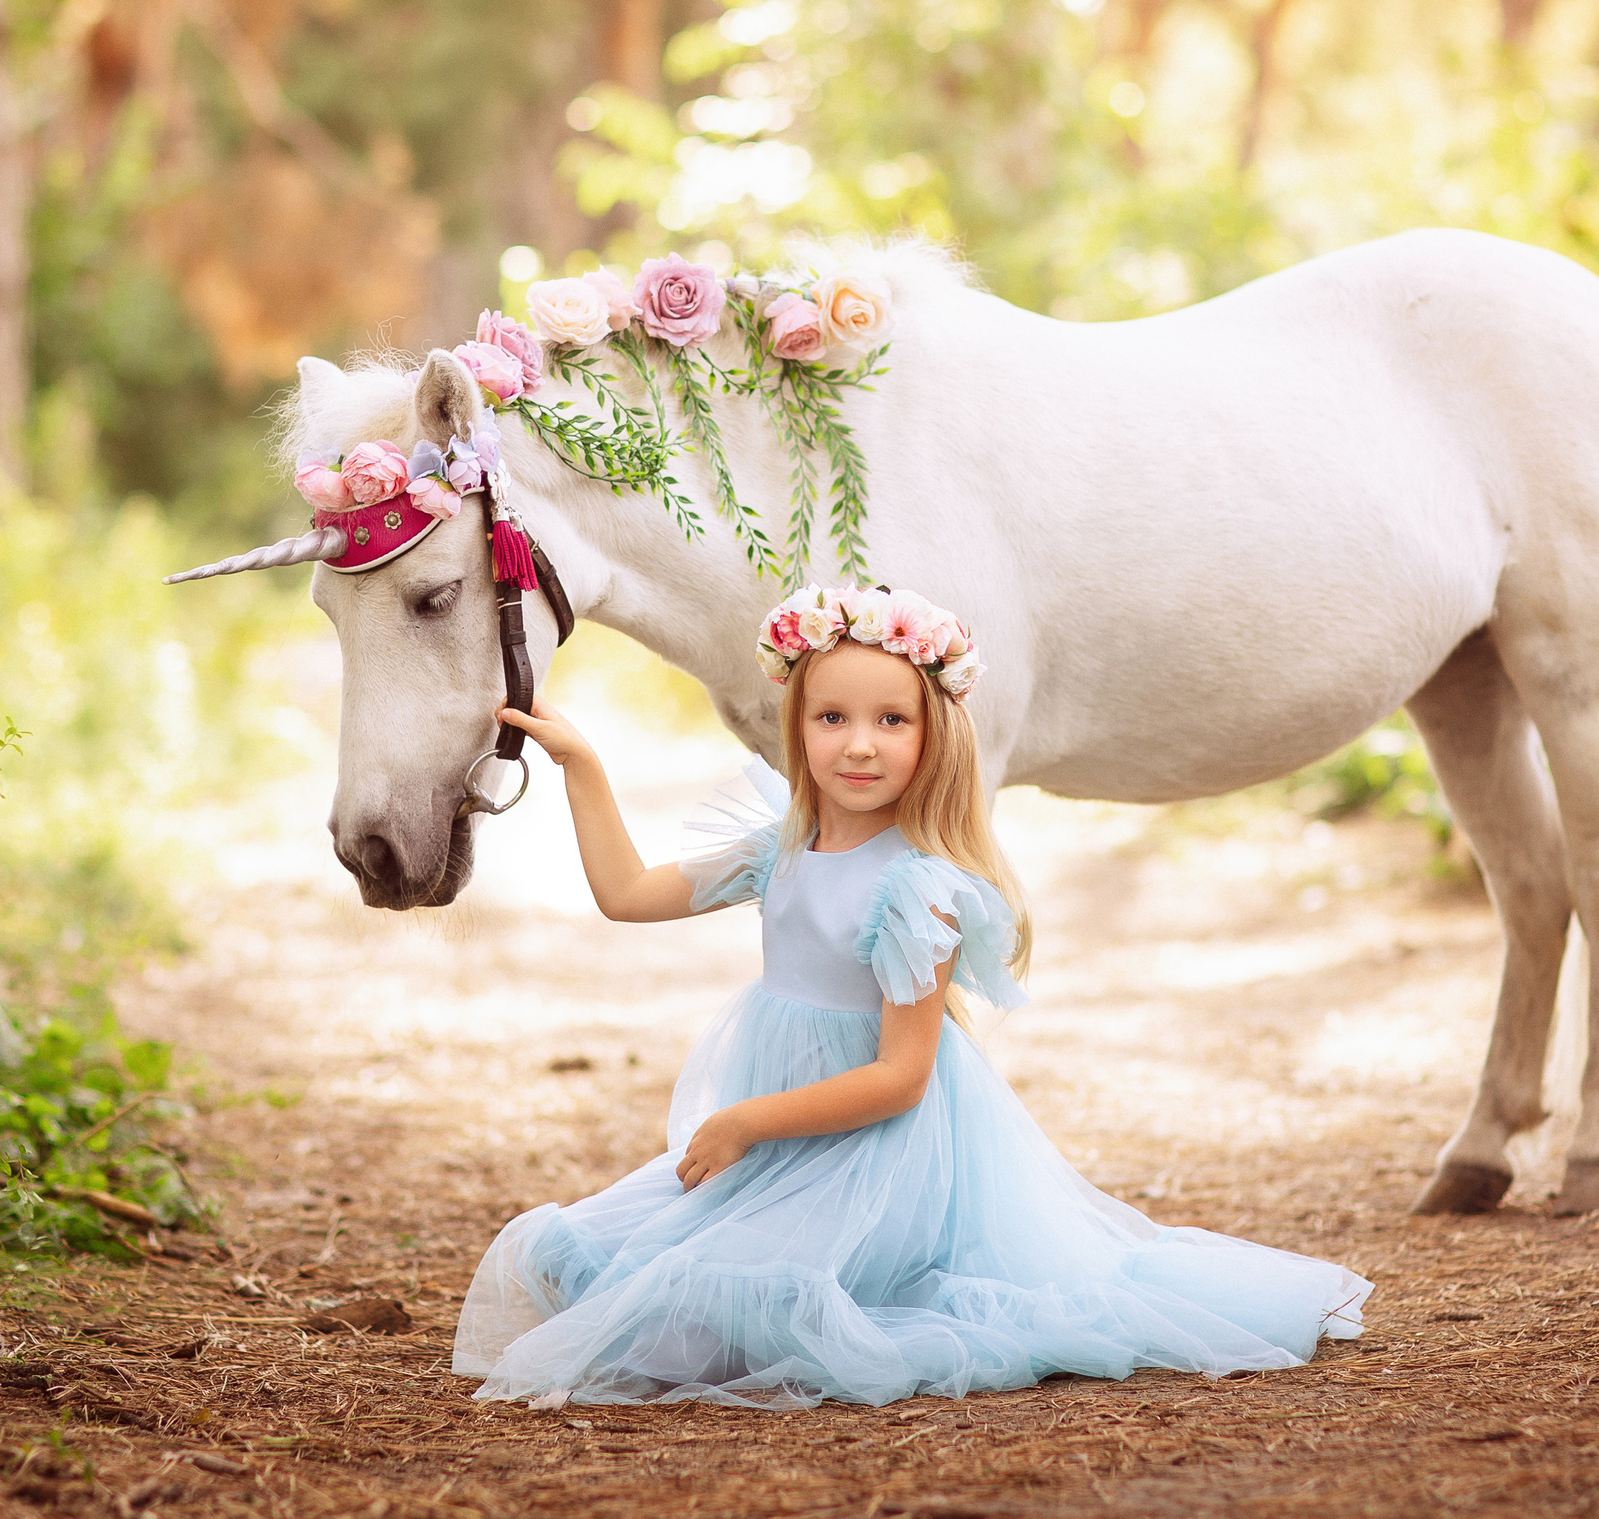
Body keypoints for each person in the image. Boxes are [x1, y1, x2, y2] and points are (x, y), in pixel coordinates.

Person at [452, 585, 1371, 1409]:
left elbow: (900, 1077)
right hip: (785, 1146)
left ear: (933, 735)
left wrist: (747, 1123)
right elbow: (627, 894)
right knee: (598, 1265)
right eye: (833, 717)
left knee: (713, 1319)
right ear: (796, 725)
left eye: (892, 720)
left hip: (878, 1158)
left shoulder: (914, 889)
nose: (859, 743)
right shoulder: (780, 847)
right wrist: (583, 767)